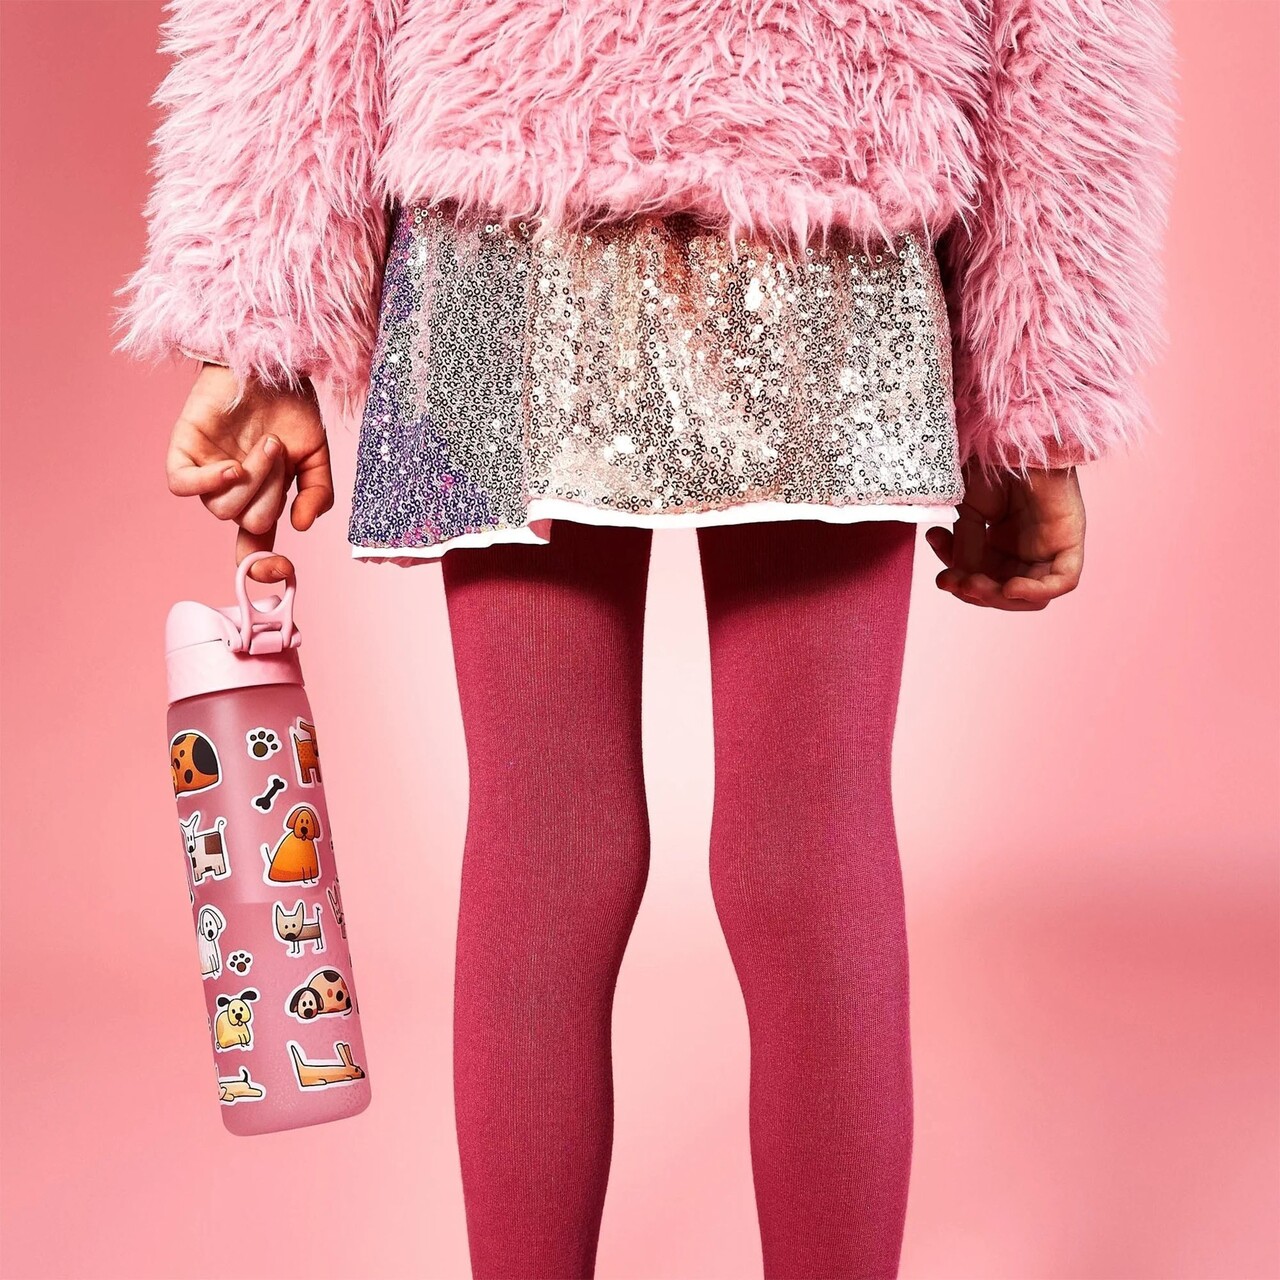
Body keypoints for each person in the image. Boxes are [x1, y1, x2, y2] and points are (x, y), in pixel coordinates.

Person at [115, 2, 1175, 1275]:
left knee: (542, 842)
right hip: (827, 175)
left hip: (502, 192)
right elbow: (1064, 33)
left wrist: (253, 314)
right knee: (809, 846)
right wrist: (1040, 386)